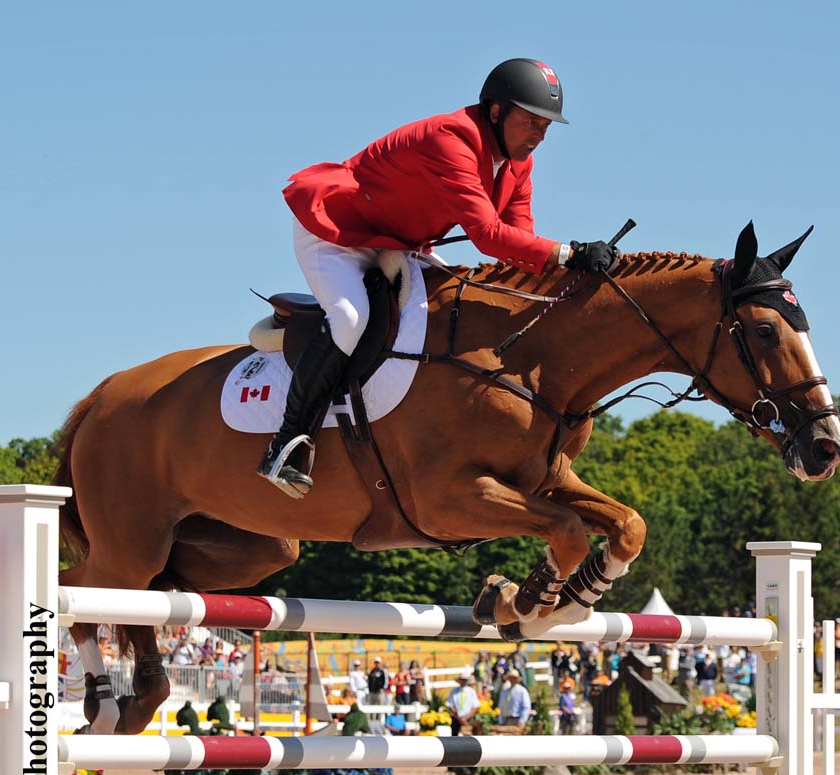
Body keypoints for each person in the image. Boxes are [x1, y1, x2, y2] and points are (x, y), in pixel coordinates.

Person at [259, 58, 619, 497]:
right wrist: (570, 252)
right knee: (351, 318)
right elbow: (488, 236)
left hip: (397, 244)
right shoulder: (451, 139)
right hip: (338, 233)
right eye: (531, 121)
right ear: (495, 112)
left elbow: (518, 241)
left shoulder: (517, 164)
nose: (540, 134)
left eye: (545, 125)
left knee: (458, 300)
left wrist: (567, 272)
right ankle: (286, 444)